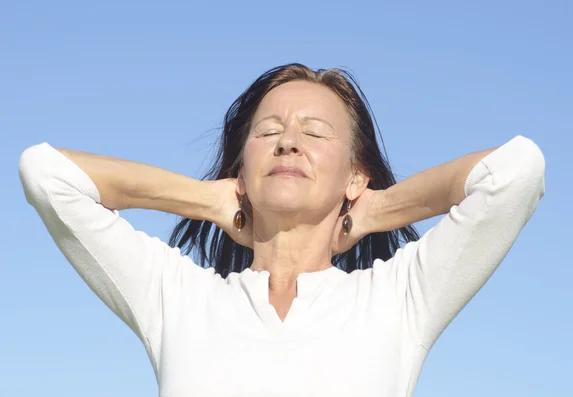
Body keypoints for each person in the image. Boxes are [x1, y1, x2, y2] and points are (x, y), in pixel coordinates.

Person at [19, 63, 545, 397]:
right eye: (269, 132)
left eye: (314, 133)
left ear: (355, 175)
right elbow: (47, 174)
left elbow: (517, 171)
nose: (288, 142)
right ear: (241, 172)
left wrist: (373, 211)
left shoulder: (399, 298)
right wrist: (209, 200)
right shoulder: (176, 297)